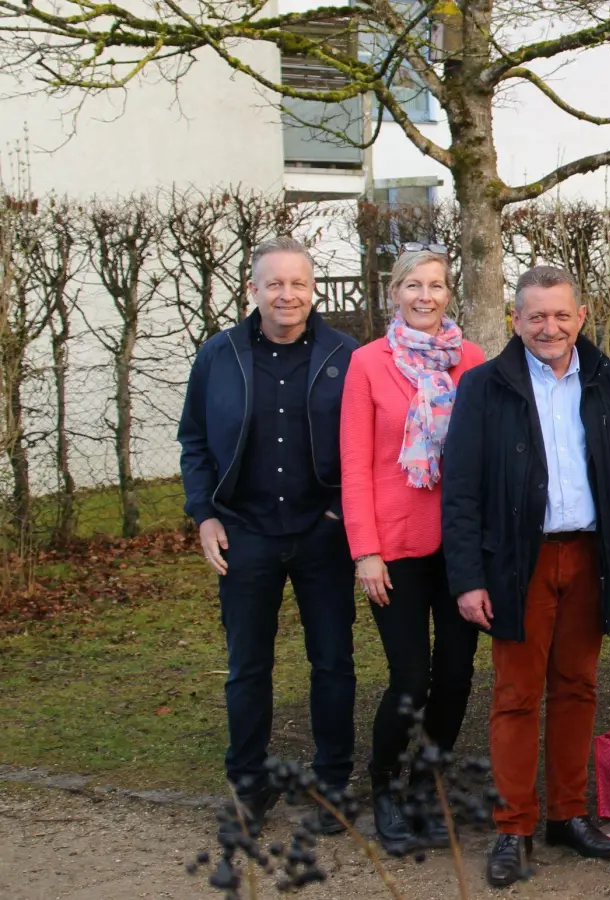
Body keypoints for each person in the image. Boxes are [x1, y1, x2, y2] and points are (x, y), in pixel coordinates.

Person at [441, 265, 610, 888]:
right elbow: (459, 491)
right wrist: (467, 579)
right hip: (517, 562)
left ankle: (567, 815)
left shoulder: (608, 379)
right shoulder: (484, 387)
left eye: (561, 315)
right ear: (516, 320)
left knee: (577, 688)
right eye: (536, 316)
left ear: (581, 317)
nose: (549, 327)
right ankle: (513, 827)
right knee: (514, 695)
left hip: (590, 556)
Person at [177, 237, 362, 836]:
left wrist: (339, 515)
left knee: (333, 663)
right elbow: (196, 442)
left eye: (298, 284)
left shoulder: (345, 355)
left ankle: (333, 785)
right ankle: (248, 791)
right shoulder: (218, 355)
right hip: (245, 534)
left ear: (314, 290)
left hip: (322, 534)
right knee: (246, 668)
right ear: (252, 289)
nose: (287, 294)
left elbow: (367, 445)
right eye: (274, 284)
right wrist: (205, 514)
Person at [339, 247, 486, 853]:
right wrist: (364, 551)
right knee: (409, 678)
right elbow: (354, 463)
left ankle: (429, 782)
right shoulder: (367, 363)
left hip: (459, 547)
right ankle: (384, 787)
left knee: (455, 675)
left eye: (437, 285)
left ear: (449, 292)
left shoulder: (472, 361)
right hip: (393, 546)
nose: (426, 296)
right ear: (394, 292)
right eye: (413, 286)